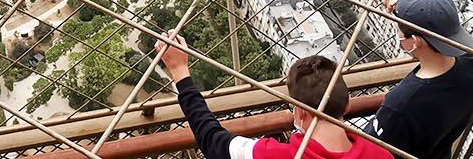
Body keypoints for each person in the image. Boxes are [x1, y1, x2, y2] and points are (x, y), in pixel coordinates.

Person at [159, 38, 392, 159]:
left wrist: (180, 73)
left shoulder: (276, 155)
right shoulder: (381, 154)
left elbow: (212, 140)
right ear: (348, 103)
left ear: (299, 111)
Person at [371, 0, 473, 159]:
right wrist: (408, 0)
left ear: (414, 42)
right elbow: (440, 19)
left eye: (399, 31)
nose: (398, 35)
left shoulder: (402, 104)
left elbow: (371, 151)